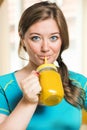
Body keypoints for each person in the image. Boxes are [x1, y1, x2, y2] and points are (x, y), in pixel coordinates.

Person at [0, 1, 87, 130]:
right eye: (36, 38)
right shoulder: (4, 86)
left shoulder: (79, 82)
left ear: (62, 39)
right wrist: (27, 102)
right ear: (22, 38)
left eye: (53, 38)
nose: (45, 48)